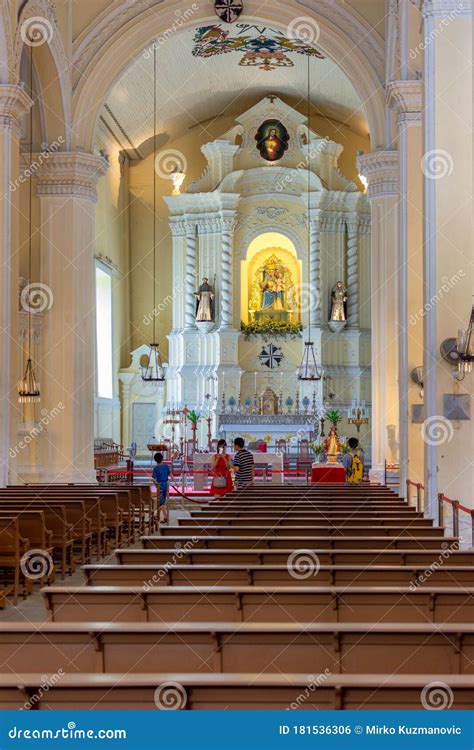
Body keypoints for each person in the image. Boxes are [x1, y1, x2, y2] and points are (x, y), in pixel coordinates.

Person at [151, 452, 173, 524]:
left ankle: (165, 516)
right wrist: (175, 482)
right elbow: (171, 475)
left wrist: (155, 484)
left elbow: (154, 479)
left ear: (155, 460)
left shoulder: (156, 469)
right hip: (166, 485)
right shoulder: (166, 466)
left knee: (161, 502)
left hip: (160, 485)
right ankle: (157, 516)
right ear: (162, 459)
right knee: (161, 501)